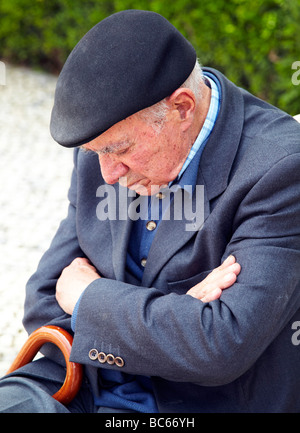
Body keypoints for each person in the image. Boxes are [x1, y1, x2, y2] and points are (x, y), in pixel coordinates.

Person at [0, 9, 299, 413]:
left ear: (181, 108)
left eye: (120, 150)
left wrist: (90, 298)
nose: (107, 174)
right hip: (76, 382)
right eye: (96, 153)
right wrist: (175, 319)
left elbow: (220, 346)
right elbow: (44, 298)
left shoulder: (281, 169)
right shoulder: (104, 142)